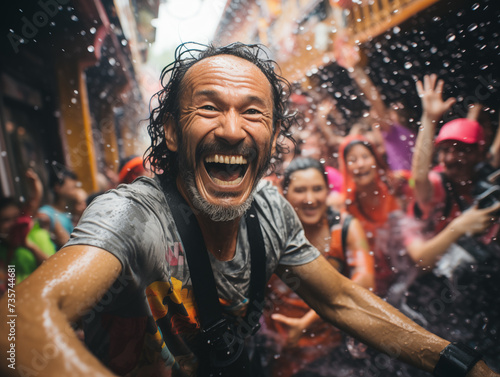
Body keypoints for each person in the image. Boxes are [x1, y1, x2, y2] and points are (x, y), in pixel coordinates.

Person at [1, 43, 499, 377]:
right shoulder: (132, 214)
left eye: (253, 111)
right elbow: (16, 318)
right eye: (210, 107)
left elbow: (343, 300)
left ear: (273, 137)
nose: (234, 130)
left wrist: (462, 364)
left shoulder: (270, 209)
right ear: (172, 131)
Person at [260, 157, 374, 376]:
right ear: (285, 193)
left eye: (317, 189)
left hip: (331, 349)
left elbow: (365, 284)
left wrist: (306, 322)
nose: (310, 199)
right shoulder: (271, 232)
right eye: (300, 190)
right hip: (278, 347)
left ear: (328, 192)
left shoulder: (345, 228)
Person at [0, 197, 55, 295]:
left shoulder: (39, 236)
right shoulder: (3, 250)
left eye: (16, 218)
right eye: (6, 220)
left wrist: (29, 246)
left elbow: (56, 269)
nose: (14, 224)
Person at [37, 166, 80, 249]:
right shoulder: (47, 212)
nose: (77, 191)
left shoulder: (68, 214)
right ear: (57, 188)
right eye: (73, 188)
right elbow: (67, 243)